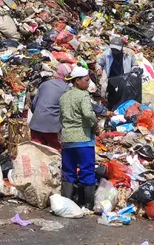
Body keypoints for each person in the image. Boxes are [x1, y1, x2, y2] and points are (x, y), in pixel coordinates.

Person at [59, 66, 97, 209]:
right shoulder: (83, 95)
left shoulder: (64, 97)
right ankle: (88, 204)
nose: (88, 83)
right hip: (83, 139)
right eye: (86, 80)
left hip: (67, 139)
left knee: (68, 171)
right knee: (87, 170)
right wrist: (94, 122)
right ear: (77, 81)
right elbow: (87, 114)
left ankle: (67, 203)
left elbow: (61, 117)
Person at [29, 64, 72, 151]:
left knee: (36, 150)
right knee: (57, 150)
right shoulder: (66, 89)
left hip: (36, 123)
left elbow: (34, 104)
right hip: (51, 126)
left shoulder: (44, 84)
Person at [96, 35, 137, 107]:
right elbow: (99, 63)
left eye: (117, 50)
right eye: (113, 49)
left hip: (123, 78)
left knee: (123, 95)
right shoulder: (106, 54)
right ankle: (110, 107)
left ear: (121, 47)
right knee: (110, 95)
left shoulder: (129, 53)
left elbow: (134, 65)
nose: (115, 51)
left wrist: (134, 72)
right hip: (111, 78)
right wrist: (99, 69)